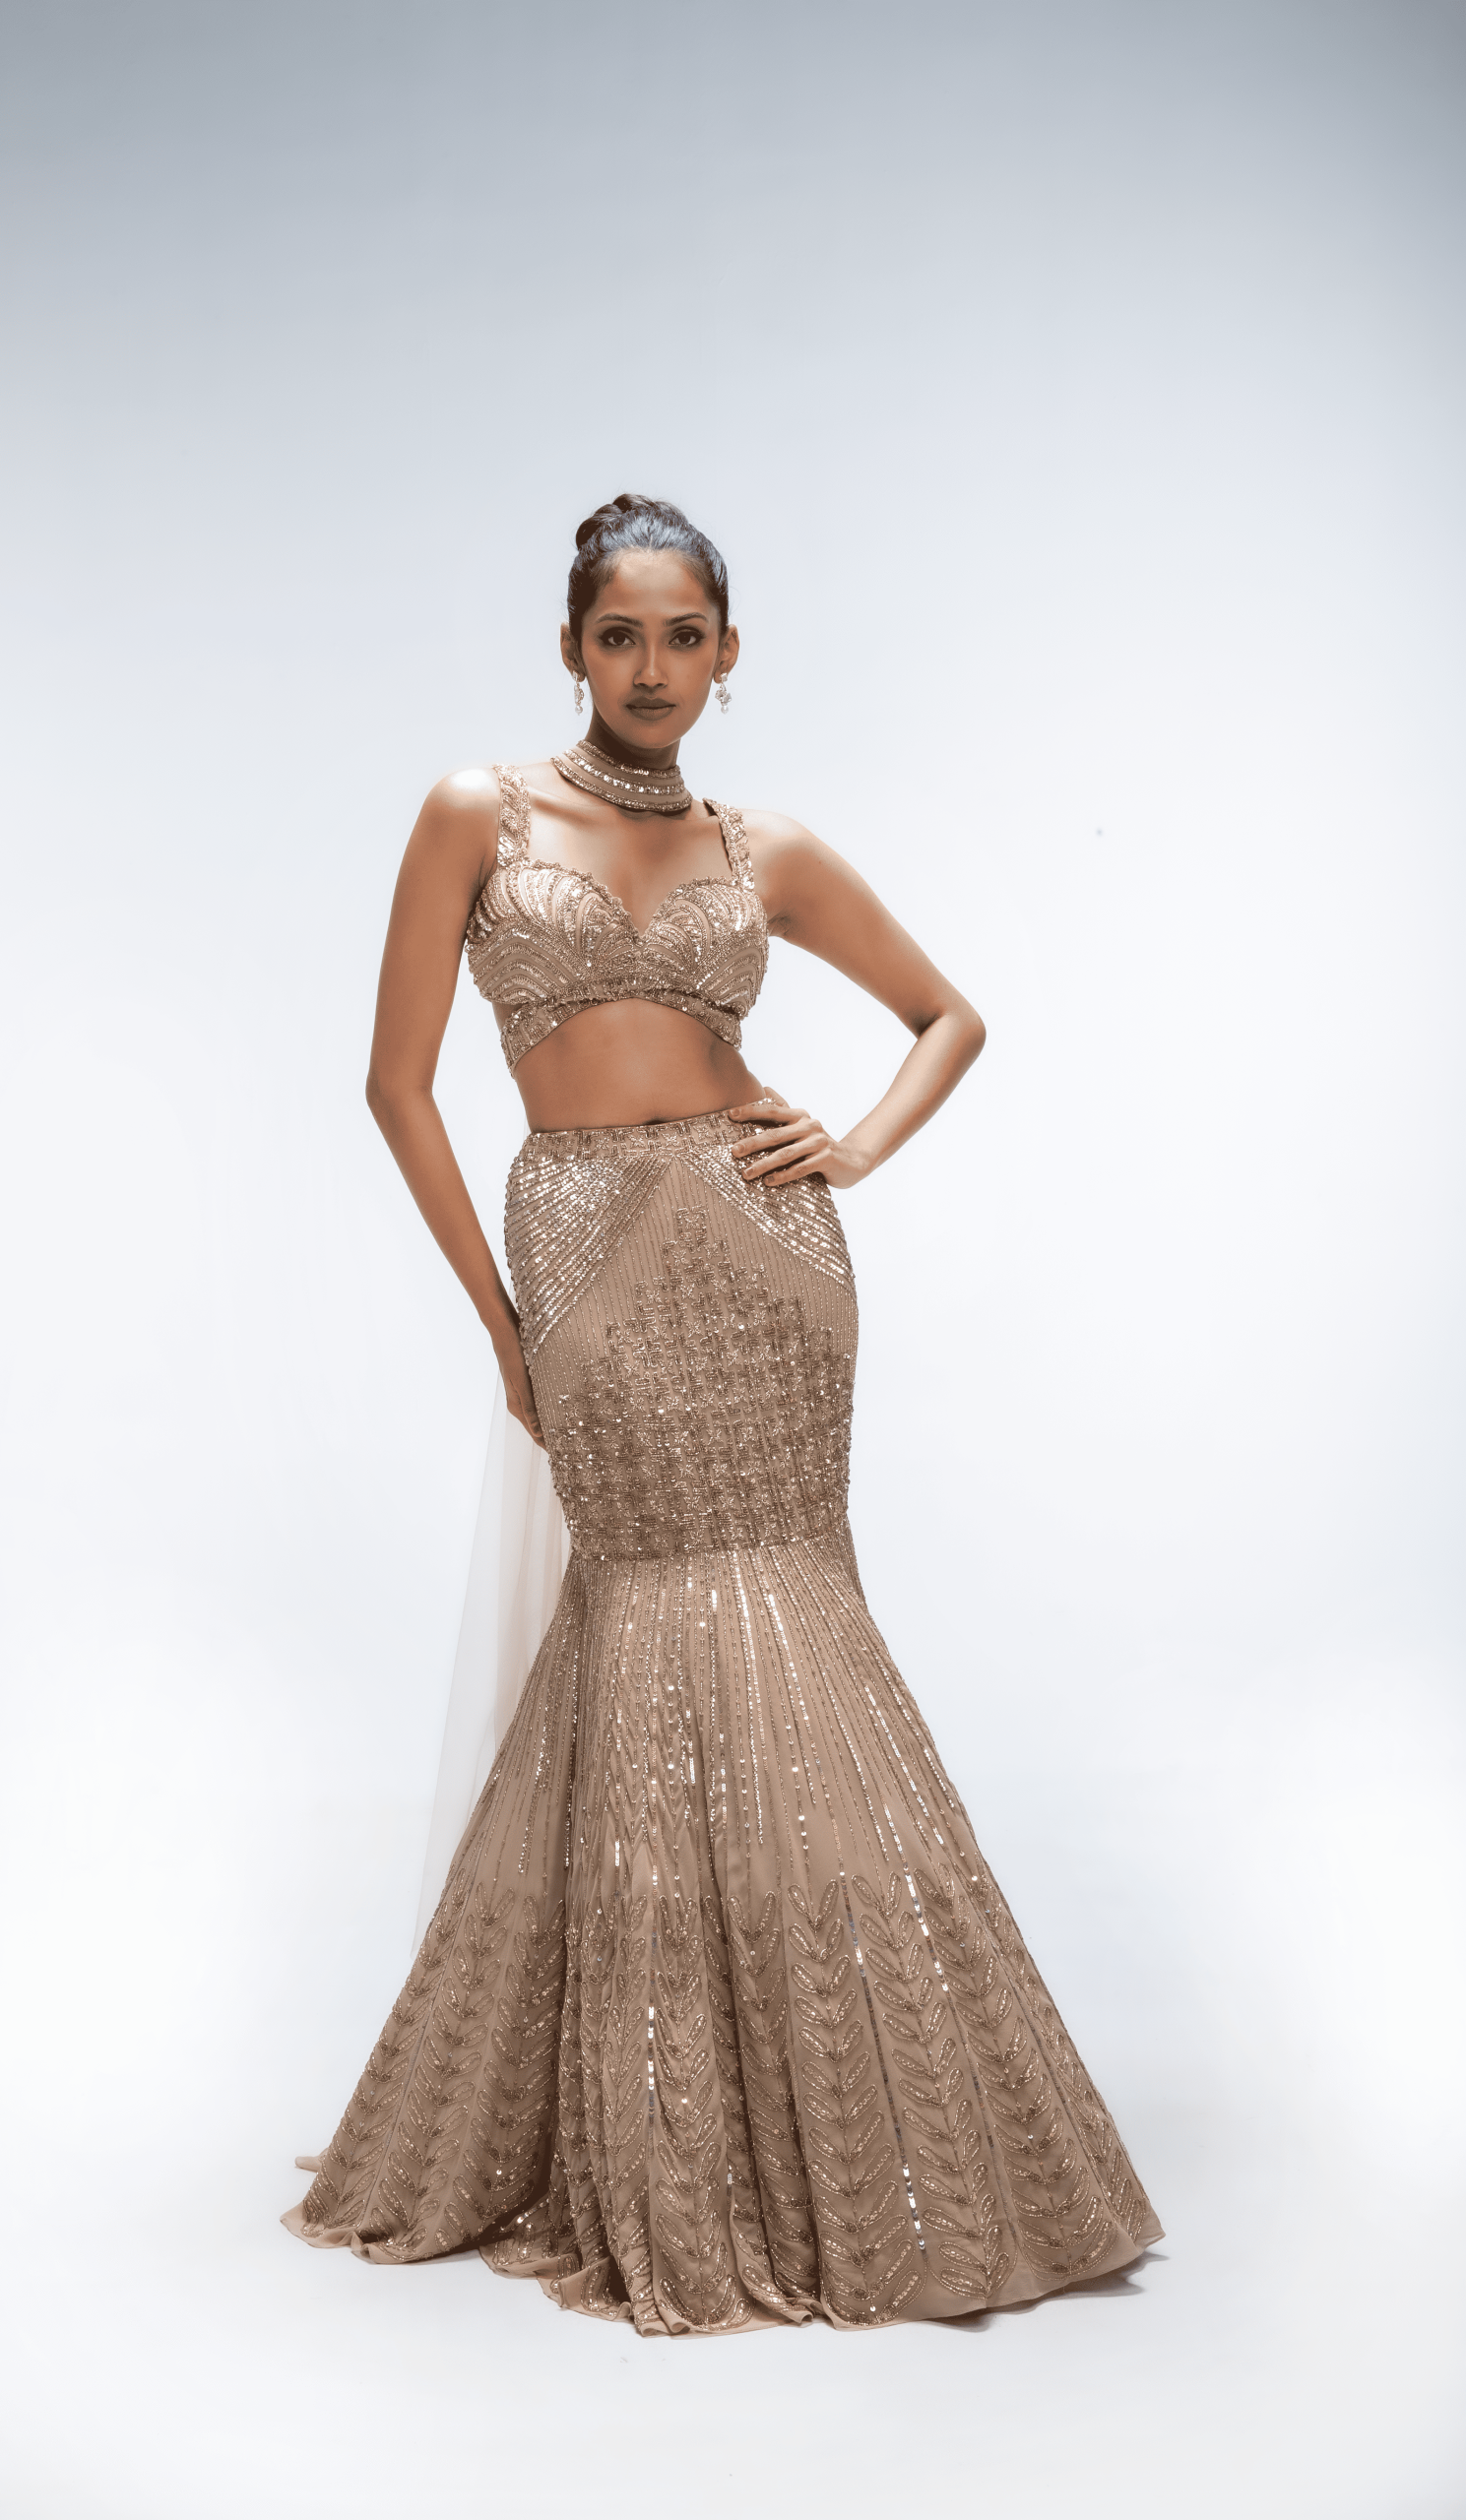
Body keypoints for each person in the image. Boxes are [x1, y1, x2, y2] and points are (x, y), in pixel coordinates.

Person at [283, 493, 1162, 2333]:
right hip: (578, 1245)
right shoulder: (475, 814)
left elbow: (946, 1015)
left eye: (684, 636)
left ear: (728, 654)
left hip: (765, 1265)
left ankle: (854, 2114)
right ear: (570, 648)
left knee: (790, 1619)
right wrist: (501, 1327)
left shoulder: (765, 846)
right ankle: (658, 2122)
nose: (652, 666)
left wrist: (852, 1147)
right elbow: (395, 1087)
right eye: (620, 634)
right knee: (646, 1618)